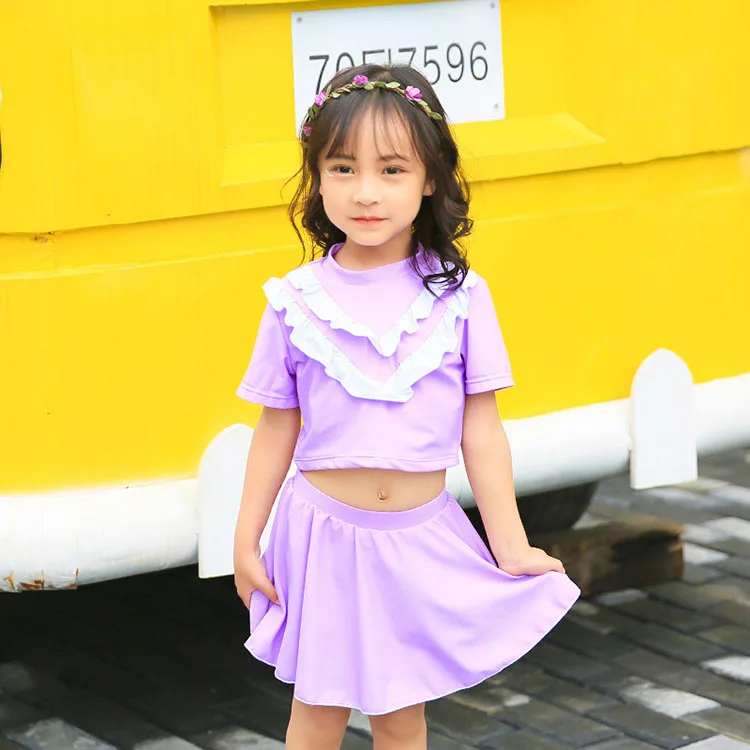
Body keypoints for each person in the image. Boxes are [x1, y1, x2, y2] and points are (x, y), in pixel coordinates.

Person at [233, 62, 581, 750]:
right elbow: (276, 425)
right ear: (317, 178)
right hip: (321, 537)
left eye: (392, 170)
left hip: (421, 539)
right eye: (342, 168)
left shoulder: (462, 297)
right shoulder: (294, 301)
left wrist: (510, 544)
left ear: (429, 178)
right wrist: (245, 540)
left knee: (400, 717)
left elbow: (481, 428)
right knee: (317, 711)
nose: (366, 192)